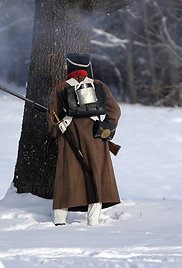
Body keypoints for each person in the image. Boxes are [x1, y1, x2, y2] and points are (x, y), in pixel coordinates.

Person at [47, 53, 121, 226]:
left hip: (70, 136)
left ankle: (59, 220)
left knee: (67, 176)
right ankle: (93, 221)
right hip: (96, 138)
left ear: (71, 67)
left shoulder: (61, 87)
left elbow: (52, 117)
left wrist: (55, 132)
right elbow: (115, 111)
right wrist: (105, 131)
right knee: (95, 175)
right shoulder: (99, 85)